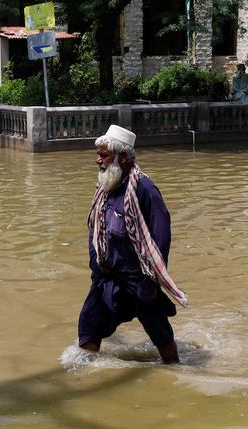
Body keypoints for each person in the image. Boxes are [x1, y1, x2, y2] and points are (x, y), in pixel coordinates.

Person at [78, 125, 188, 364]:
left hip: (139, 277)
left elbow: (161, 237)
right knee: (89, 325)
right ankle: (85, 375)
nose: (98, 161)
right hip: (107, 275)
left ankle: (175, 371)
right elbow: (95, 228)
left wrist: (151, 280)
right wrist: (96, 264)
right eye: (98, 155)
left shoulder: (145, 190)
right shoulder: (105, 187)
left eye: (103, 155)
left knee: (160, 334)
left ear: (123, 158)